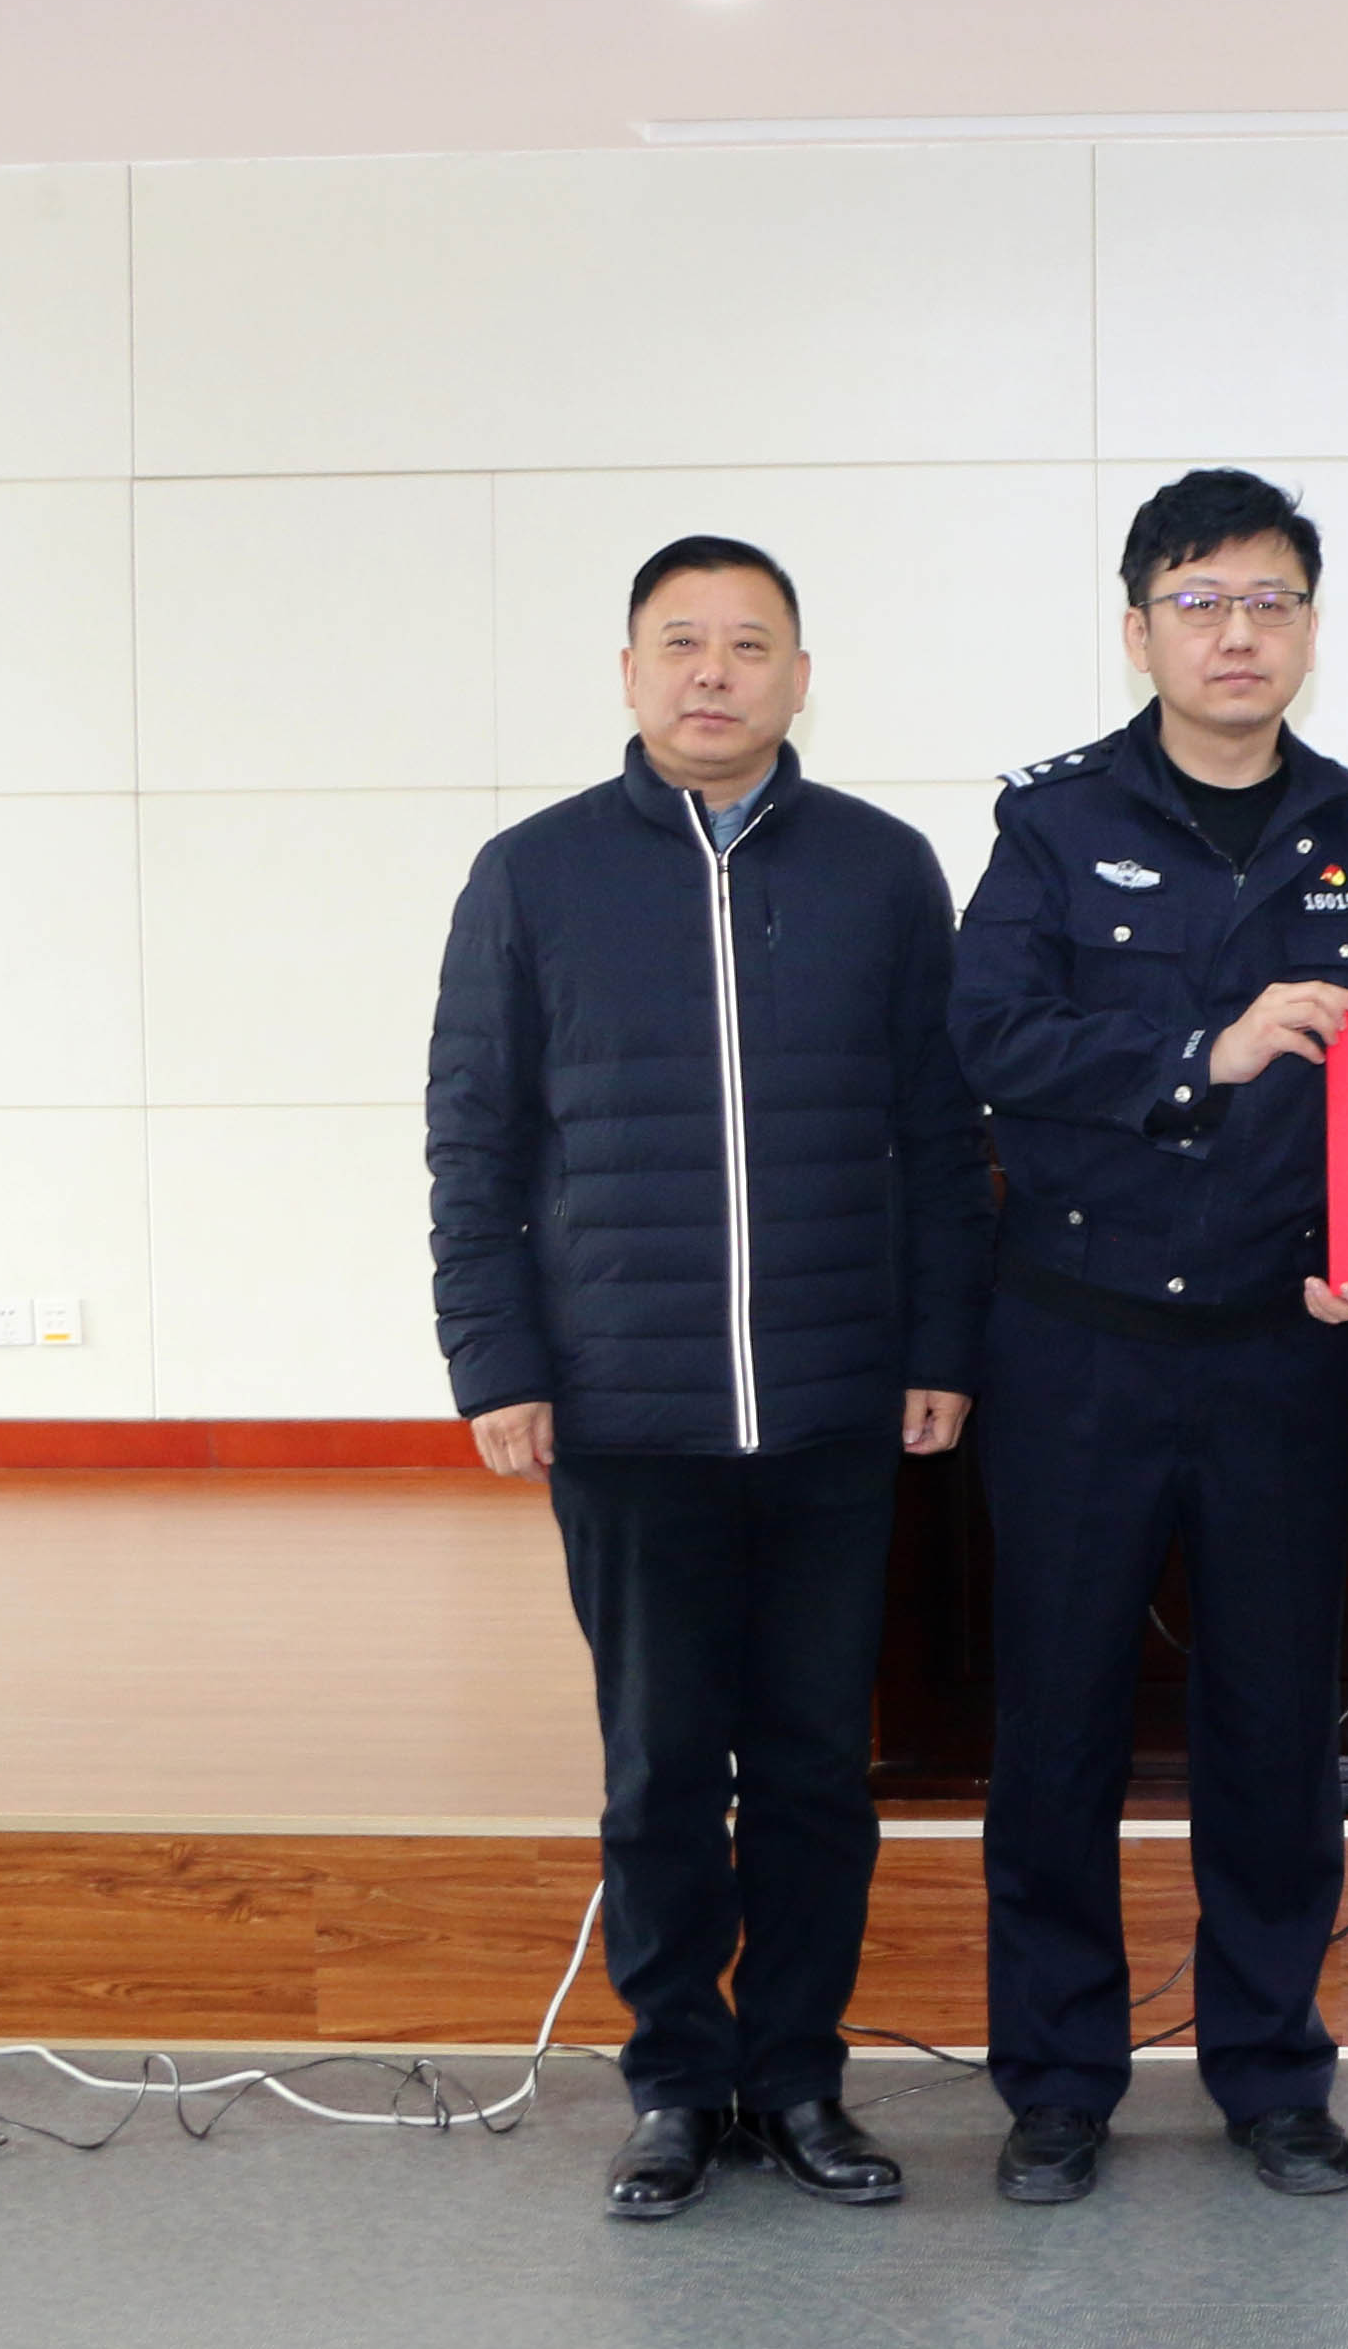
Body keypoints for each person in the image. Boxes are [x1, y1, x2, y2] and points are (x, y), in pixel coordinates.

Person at [427, 533, 997, 2221]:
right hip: (628, 1412)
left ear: (800, 678)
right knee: (663, 1770)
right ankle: (677, 2083)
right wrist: (496, 1358)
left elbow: (939, 1132)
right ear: (628, 673)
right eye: (681, 642)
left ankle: (800, 2077)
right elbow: (474, 1140)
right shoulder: (533, 875)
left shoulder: (883, 870)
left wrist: (940, 1346)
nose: (714, 672)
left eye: (750, 644)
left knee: (817, 1768)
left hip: (835, 1405)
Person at [948, 470, 1348, 2207]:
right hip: (1076, 1345)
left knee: (1273, 1733)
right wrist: (1200, 1055)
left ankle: (1273, 2074)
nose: (1240, 634)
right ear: (1139, 626)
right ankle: (1057, 2084)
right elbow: (992, 1038)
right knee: (1058, 1727)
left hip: (1277, 1348)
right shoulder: (1054, 823)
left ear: (1310, 625)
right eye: (1202, 601)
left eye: (1271, 601)